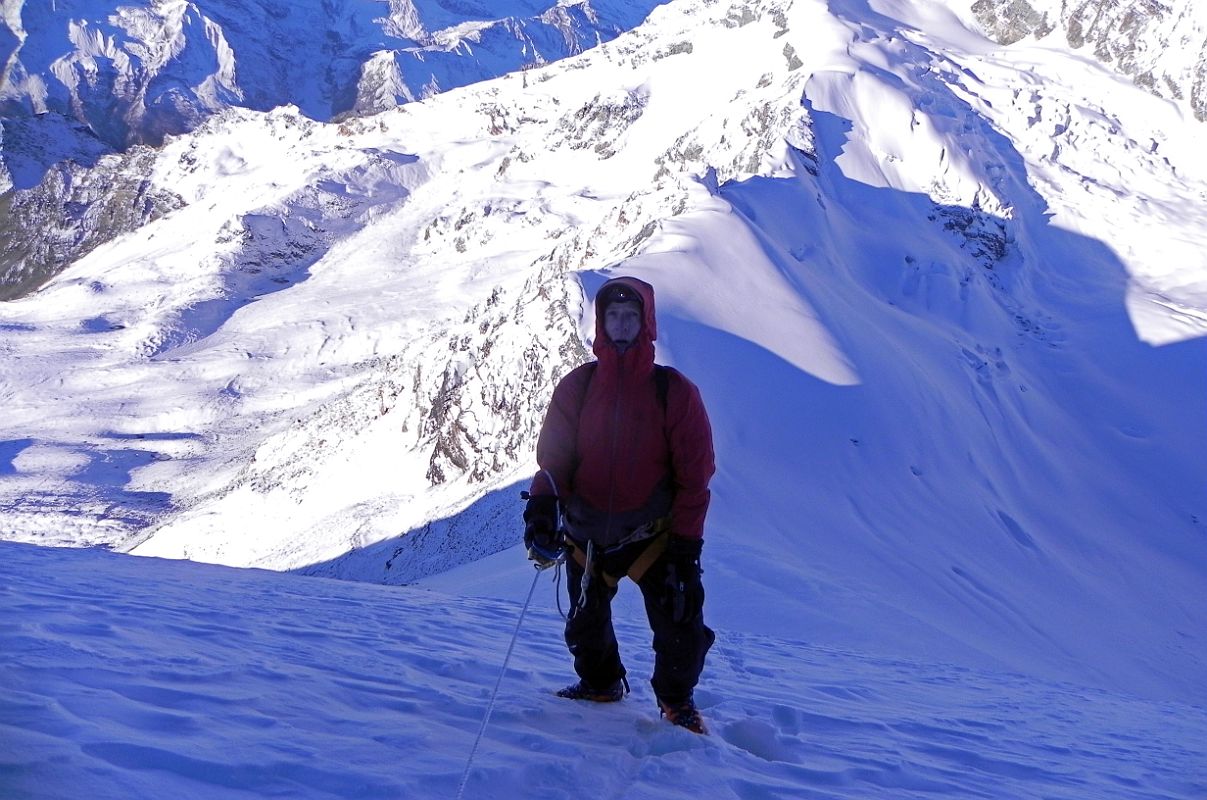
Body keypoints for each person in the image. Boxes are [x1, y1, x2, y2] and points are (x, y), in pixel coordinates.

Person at [523, 275, 716, 734]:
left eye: (631, 316)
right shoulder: (577, 387)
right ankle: (601, 685)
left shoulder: (673, 392)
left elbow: (696, 474)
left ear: (646, 323)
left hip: (654, 535)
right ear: (601, 322)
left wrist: (686, 545)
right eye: (614, 315)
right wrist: (542, 507)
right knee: (585, 627)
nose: (622, 324)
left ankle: (675, 702)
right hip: (587, 533)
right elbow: (555, 459)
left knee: (680, 629)